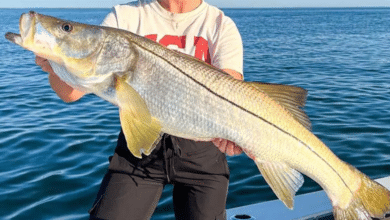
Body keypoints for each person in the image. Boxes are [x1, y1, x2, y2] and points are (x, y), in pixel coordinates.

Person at [35, 0, 244, 219]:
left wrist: (230, 131)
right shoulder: (124, 16)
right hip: (137, 151)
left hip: (203, 153)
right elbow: (69, 93)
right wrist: (56, 64)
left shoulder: (220, 24)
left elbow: (232, 92)